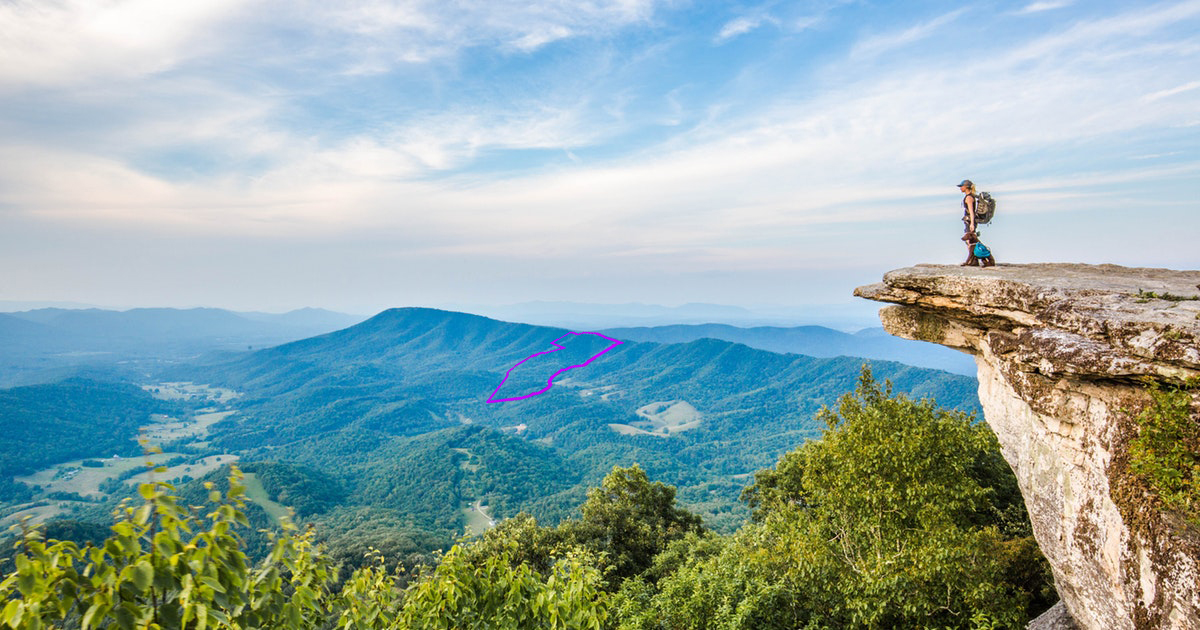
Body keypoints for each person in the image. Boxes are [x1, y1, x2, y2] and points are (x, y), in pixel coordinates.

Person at [958, 179, 978, 266]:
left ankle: (972, 260)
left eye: (961, 186)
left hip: (969, 221)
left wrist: (972, 223)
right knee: (969, 242)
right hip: (969, 220)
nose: (960, 188)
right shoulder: (970, 196)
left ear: (966, 187)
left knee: (970, 242)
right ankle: (973, 260)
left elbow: (971, 211)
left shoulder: (969, 198)